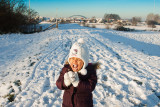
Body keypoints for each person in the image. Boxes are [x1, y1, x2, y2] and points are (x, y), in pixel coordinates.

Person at [56, 38, 99, 107]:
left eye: (78, 60)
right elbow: (58, 83)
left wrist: (77, 82)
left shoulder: (90, 70)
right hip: (67, 104)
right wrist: (65, 82)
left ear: (84, 61)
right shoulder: (66, 69)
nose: (74, 62)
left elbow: (91, 86)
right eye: (72, 59)